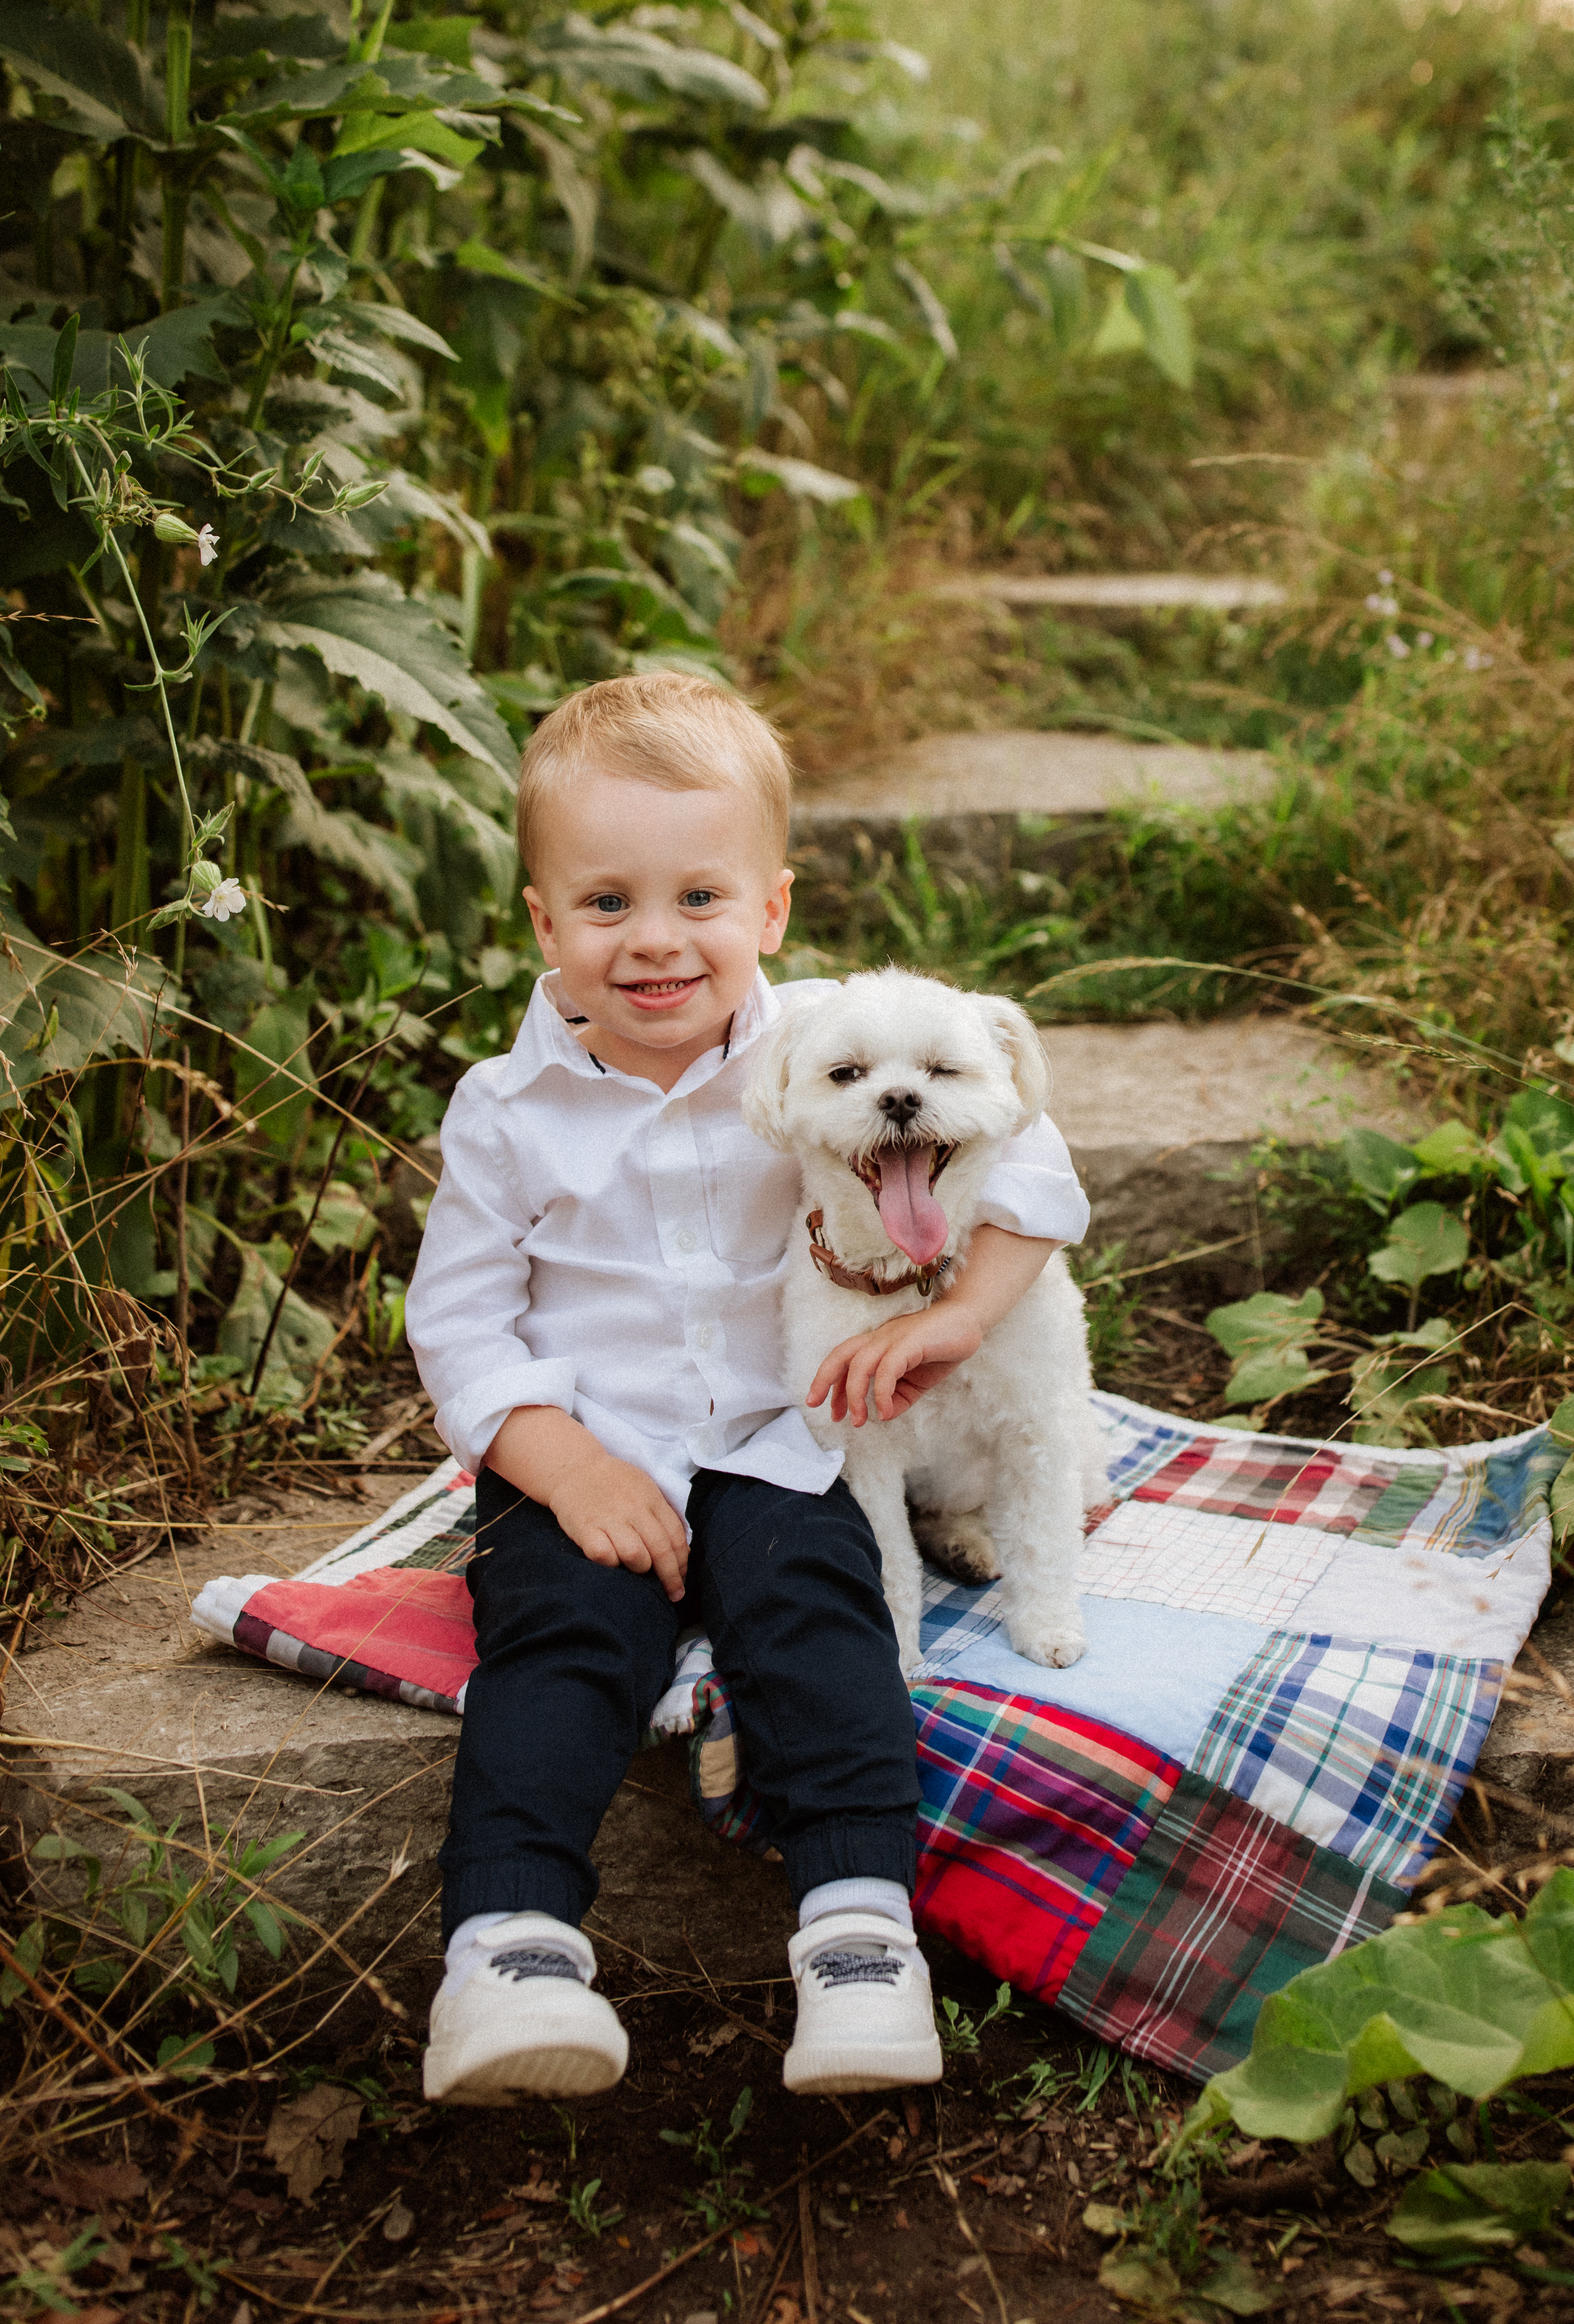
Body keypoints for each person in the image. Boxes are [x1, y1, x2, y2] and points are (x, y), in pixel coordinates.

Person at [405, 672, 1090, 2105]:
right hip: (592, 1454)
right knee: (561, 1638)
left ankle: (860, 1941)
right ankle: (507, 1949)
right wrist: (559, 1462)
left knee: (817, 1615)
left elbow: (1026, 1160)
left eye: (699, 897)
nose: (656, 941)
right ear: (544, 922)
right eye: (606, 904)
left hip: (792, 1440)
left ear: (770, 910)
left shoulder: (825, 1041)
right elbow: (460, 1322)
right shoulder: (504, 1110)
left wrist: (963, 1311)